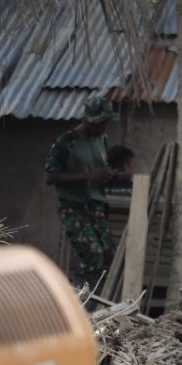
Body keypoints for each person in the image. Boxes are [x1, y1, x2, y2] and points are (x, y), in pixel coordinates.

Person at [45, 96, 119, 288]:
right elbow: (51, 177)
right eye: (100, 123)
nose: (104, 127)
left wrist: (107, 175)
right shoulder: (66, 142)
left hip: (96, 206)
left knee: (109, 254)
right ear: (88, 121)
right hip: (73, 207)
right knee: (92, 255)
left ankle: (101, 303)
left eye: (106, 123)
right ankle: (81, 301)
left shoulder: (102, 139)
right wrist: (87, 176)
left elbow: (99, 168)